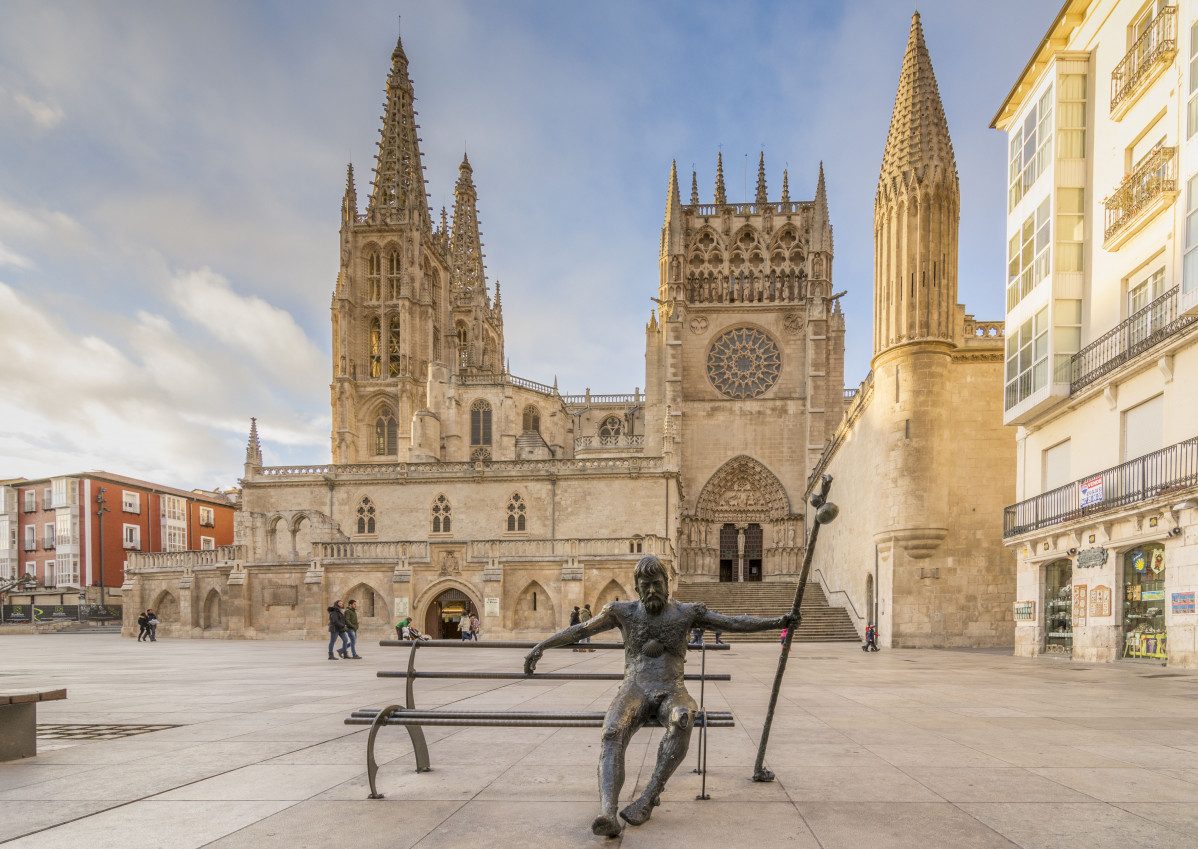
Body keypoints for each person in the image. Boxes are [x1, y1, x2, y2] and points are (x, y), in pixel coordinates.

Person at [525, 555, 792, 837]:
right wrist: (542, 646)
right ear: (637, 588)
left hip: (671, 689)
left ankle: (649, 796)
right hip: (634, 687)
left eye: (657, 583)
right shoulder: (621, 612)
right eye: (646, 585)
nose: (652, 590)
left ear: (667, 583)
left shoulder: (687, 613)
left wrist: (778, 622)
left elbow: (733, 623)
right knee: (612, 732)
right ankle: (607, 812)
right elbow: (580, 630)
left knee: (683, 718)